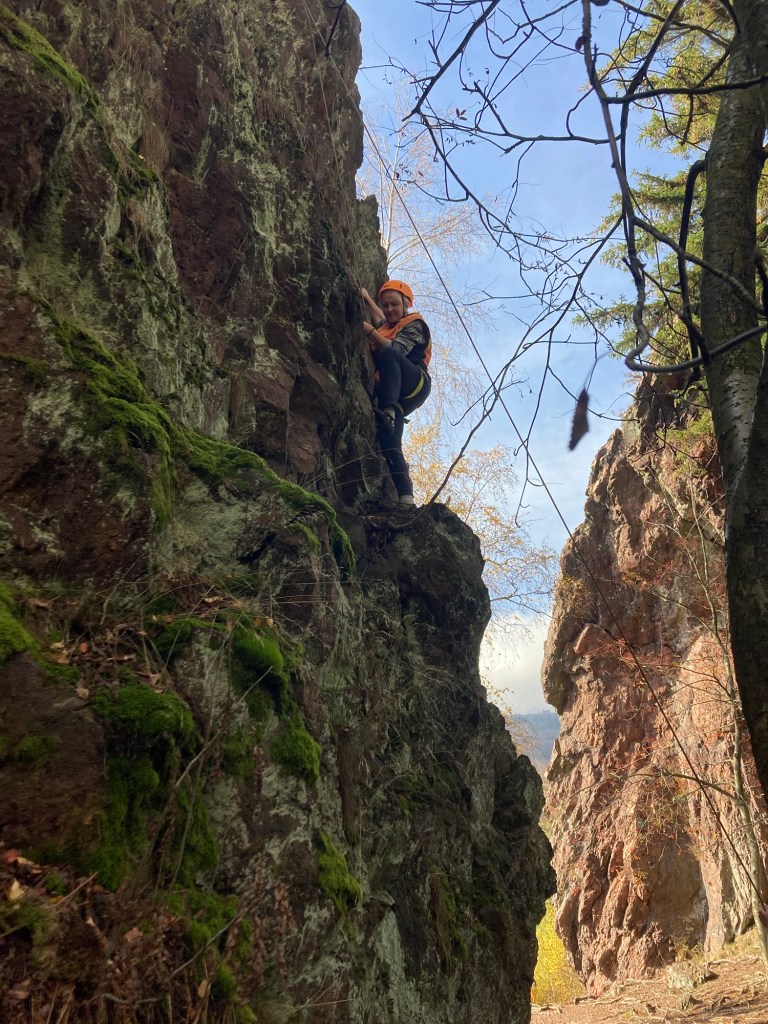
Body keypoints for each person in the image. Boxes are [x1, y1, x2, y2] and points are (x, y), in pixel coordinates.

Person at [361, 280, 432, 506]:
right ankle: (406, 496)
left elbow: (396, 350)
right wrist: (366, 298)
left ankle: (389, 409)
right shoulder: (389, 323)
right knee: (389, 441)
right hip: (399, 393)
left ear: (406, 304)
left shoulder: (415, 325)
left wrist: (369, 331)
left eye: (395, 305)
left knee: (389, 354)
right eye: (386, 305)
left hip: (416, 383)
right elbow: (380, 318)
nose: (390, 309)